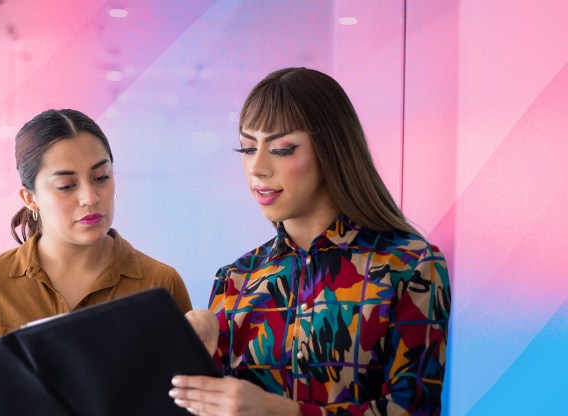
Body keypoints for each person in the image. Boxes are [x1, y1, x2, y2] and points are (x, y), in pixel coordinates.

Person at [173, 68, 451, 416]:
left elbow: (413, 410)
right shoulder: (235, 280)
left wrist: (282, 412)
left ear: (331, 150)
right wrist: (188, 357)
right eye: (247, 147)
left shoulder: (410, 266)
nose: (257, 167)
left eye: (281, 149)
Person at [0, 109, 192, 416]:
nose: (90, 197)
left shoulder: (160, 283)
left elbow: (192, 405)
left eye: (101, 177)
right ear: (30, 198)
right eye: (67, 186)